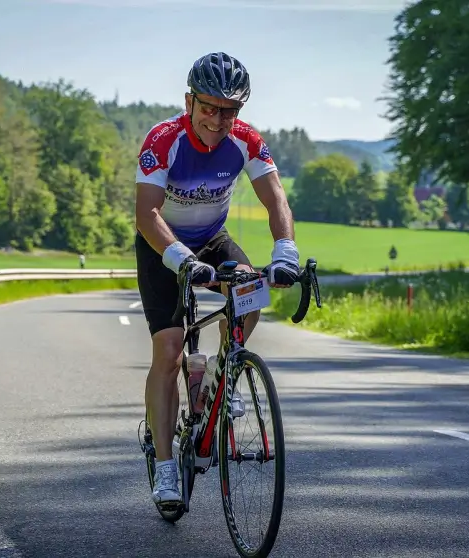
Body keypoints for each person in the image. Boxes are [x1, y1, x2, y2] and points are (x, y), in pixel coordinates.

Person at [134, 51, 301, 506]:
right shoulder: (163, 139)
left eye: (230, 110)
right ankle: (166, 468)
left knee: (251, 291)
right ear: (190, 101)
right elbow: (147, 213)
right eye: (209, 107)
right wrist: (180, 259)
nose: (218, 119)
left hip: (212, 239)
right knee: (170, 351)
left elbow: (276, 199)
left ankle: (220, 372)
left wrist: (285, 251)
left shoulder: (246, 139)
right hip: (163, 246)